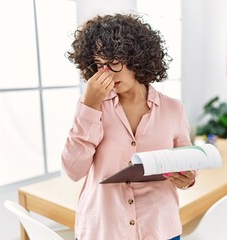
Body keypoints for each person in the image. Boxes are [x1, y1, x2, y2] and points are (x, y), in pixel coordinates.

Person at [62, 13, 196, 240]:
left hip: (159, 228)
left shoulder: (173, 109)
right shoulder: (91, 106)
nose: (106, 73)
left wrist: (188, 178)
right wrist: (90, 106)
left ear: (137, 59)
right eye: (100, 65)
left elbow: (188, 161)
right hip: (103, 229)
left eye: (114, 63)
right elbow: (73, 170)